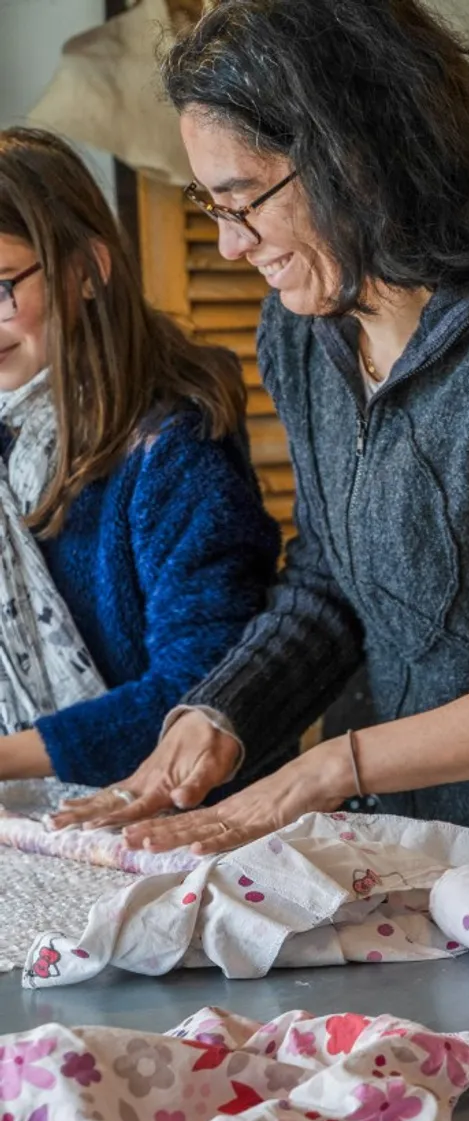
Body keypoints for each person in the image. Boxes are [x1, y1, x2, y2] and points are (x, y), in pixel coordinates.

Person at [52, 0, 469, 875]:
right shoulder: (304, 330)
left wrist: (330, 767)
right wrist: (219, 714)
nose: (230, 246)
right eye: (211, 206)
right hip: (401, 838)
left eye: (244, 203)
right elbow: (330, 581)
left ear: (356, 158)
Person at [0, 127, 278, 789]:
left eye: (0, 286)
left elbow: (204, 685)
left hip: (175, 823)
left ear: (88, 270)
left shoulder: (174, 448)